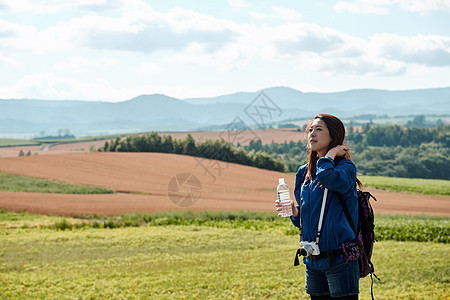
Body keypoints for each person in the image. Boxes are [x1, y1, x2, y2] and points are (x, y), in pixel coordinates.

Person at [276, 114, 361, 300]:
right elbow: (304, 221)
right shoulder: (304, 173)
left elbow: (328, 178)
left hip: (340, 260)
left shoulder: (346, 168)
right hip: (313, 261)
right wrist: (295, 212)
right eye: (310, 130)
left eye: (319, 129)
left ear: (334, 136)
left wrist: (330, 155)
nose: (312, 134)